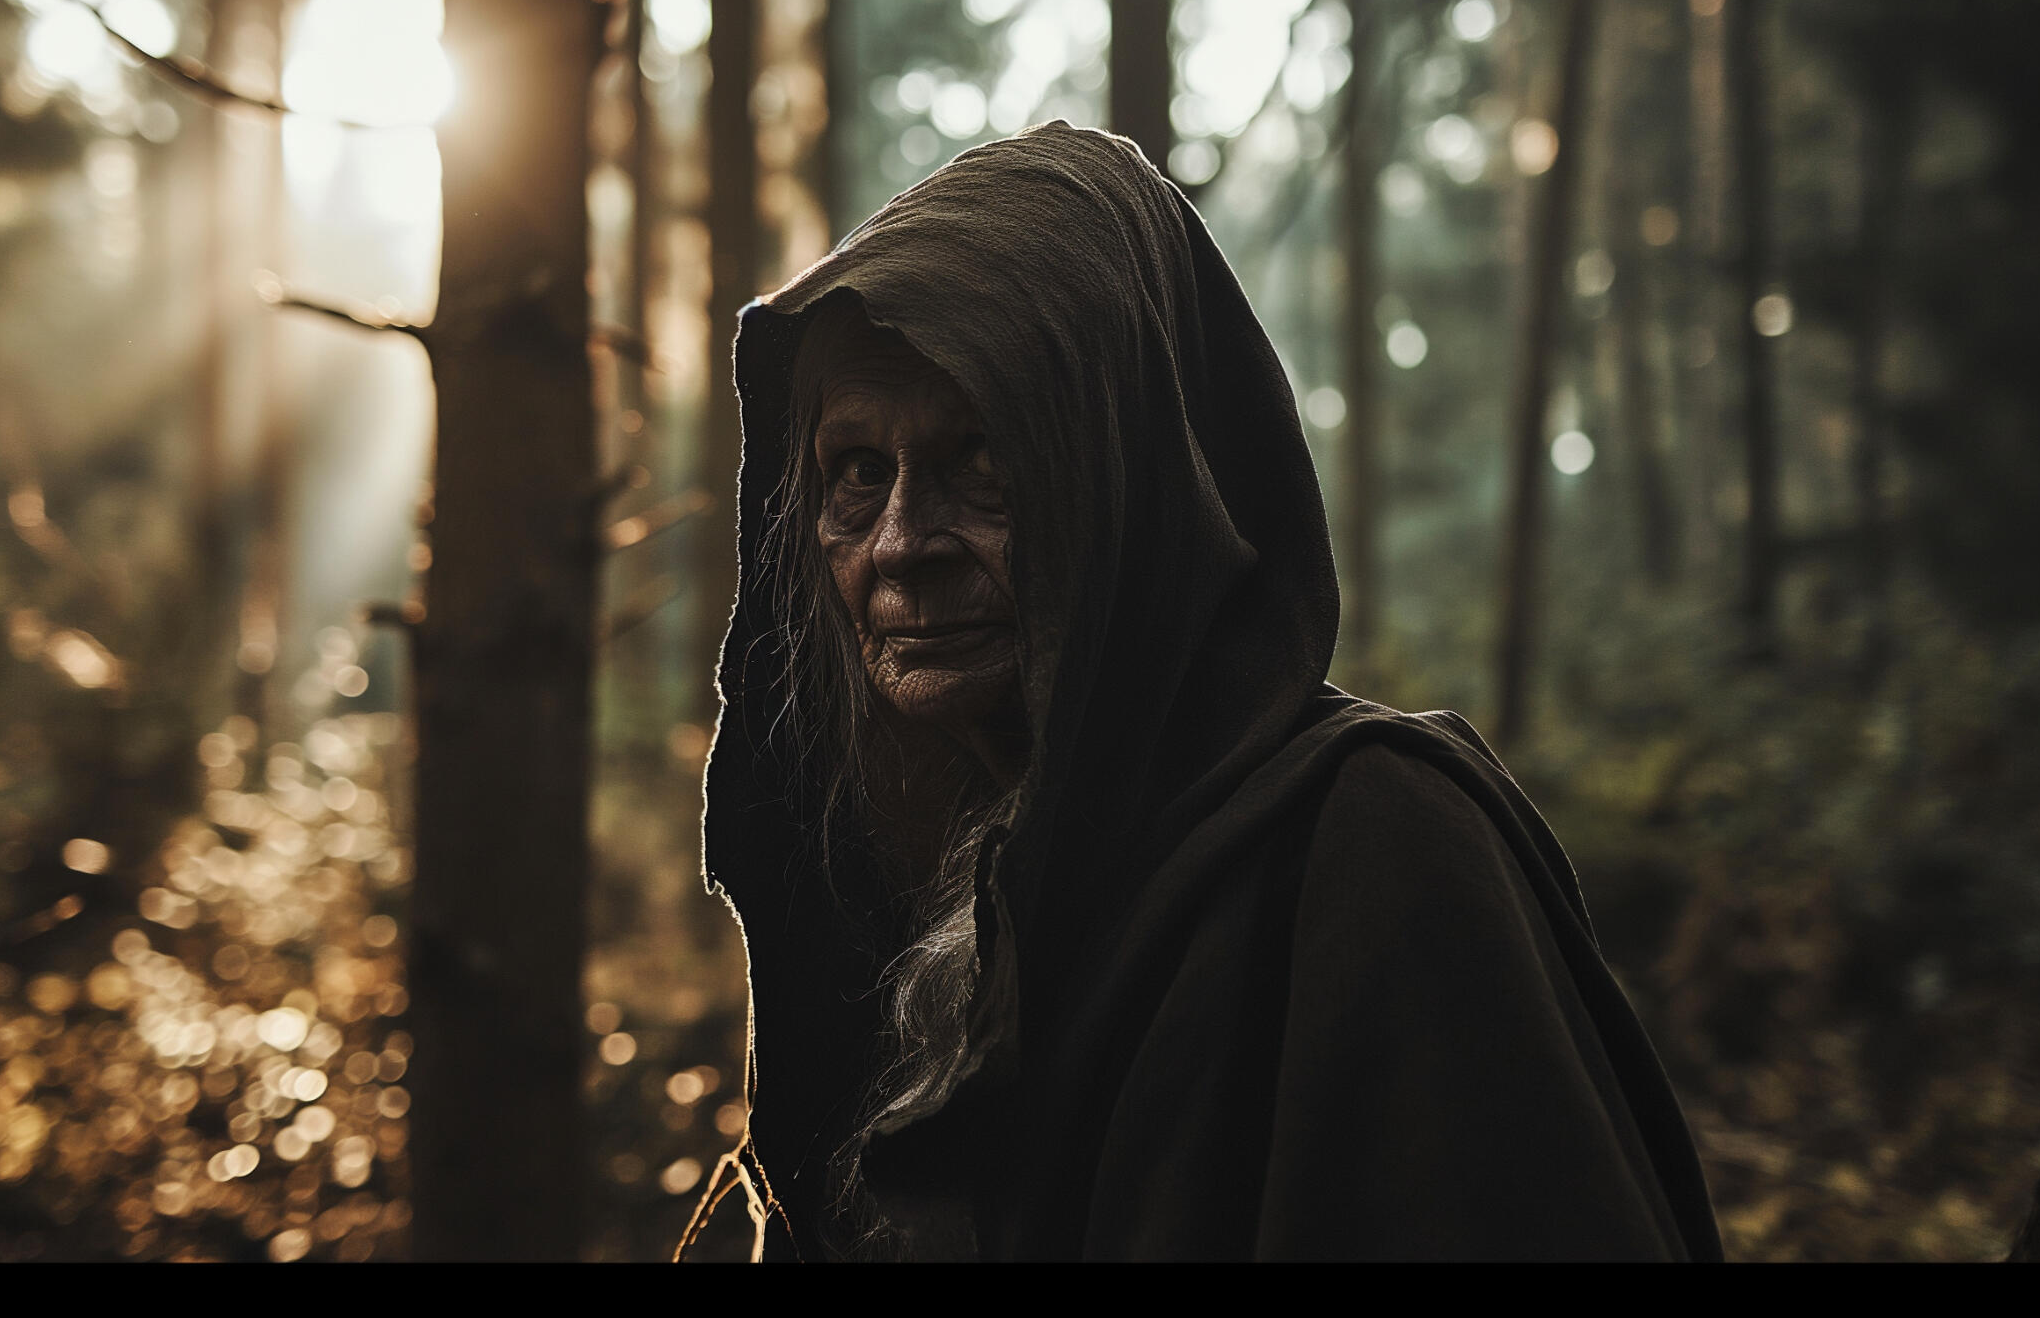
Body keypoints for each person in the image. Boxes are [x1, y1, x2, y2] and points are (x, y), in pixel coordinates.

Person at [686, 122, 1723, 1261]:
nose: (899, 542)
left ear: (1130, 478)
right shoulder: (932, 900)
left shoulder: (1374, 844)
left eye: (981, 457)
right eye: (856, 472)